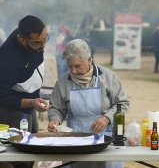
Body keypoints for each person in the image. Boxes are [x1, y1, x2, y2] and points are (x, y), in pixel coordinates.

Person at [47, 39, 130, 168]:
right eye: (70, 66)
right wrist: (55, 120)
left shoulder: (107, 77)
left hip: (105, 138)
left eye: (77, 66)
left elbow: (123, 102)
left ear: (89, 60)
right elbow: (55, 108)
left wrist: (107, 117)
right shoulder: (63, 82)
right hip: (75, 140)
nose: (73, 71)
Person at [0, 15, 51, 168]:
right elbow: (1, 97)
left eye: (45, 39)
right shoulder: (7, 61)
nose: (43, 45)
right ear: (22, 41)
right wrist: (31, 102)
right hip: (12, 112)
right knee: (17, 157)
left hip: (31, 104)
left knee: (31, 150)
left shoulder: (31, 36)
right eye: (37, 43)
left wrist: (34, 99)